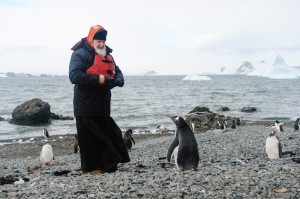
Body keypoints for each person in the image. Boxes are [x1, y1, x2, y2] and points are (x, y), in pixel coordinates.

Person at [69, 24, 130, 174]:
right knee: (89, 140)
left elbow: (118, 70)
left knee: (111, 134)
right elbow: (74, 76)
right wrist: (101, 79)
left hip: (103, 105)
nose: (102, 44)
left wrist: (119, 79)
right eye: (98, 41)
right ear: (91, 39)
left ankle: (107, 165)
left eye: (103, 41)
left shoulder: (106, 54)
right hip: (85, 105)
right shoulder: (80, 54)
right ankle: (90, 169)